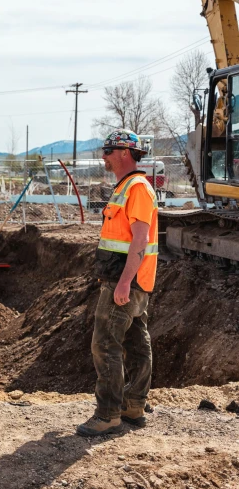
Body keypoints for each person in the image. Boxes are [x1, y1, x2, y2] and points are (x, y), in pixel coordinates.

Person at [76, 129, 159, 437]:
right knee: (137, 342)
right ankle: (133, 407)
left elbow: (141, 238)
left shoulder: (136, 188)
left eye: (109, 151)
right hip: (131, 279)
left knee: (105, 344)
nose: (104, 156)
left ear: (125, 153)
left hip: (124, 281)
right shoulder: (128, 187)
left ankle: (108, 414)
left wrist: (124, 283)